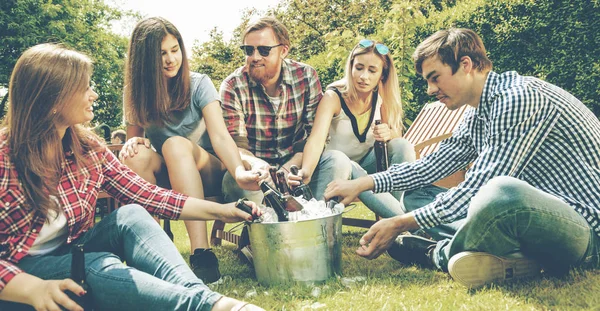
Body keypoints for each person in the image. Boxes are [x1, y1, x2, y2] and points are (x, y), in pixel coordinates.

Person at [324, 28, 600, 288]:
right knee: (416, 195)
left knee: (501, 191)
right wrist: (365, 183)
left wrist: (399, 223)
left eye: (435, 78)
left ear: (465, 64)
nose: (430, 90)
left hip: (582, 230)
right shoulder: (477, 110)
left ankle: (437, 253)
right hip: (528, 223)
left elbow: (479, 188)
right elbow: (433, 165)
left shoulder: (518, 98)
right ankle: (509, 256)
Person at [0, 43, 264, 311]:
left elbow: (149, 195)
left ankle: (205, 299)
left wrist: (223, 211)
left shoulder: (87, 148)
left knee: (131, 215)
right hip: (19, 272)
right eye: (84, 87)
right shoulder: (4, 157)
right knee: (94, 264)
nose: (93, 95)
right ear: (52, 100)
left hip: (72, 250)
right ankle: (210, 307)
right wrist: (32, 288)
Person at [121, 17, 263, 283]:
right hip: (168, 173)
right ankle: (149, 252)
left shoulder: (199, 84)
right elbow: (136, 140)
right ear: (144, 59)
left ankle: (202, 254)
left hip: (207, 169)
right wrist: (134, 142)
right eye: (161, 53)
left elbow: (221, 137)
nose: (171, 59)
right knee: (136, 156)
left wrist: (239, 171)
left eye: (175, 50)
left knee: (175, 145)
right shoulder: (135, 92)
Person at [220, 16, 351, 204]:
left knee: (337, 160)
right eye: (249, 50)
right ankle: (266, 227)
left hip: (299, 166)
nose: (255, 57)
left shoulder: (306, 76)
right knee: (232, 181)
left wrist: (289, 169)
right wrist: (260, 167)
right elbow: (235, 146)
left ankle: (318, 222)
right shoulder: (232, 86)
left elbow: (314, 135)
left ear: (284, 50)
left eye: (264, 50)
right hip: (257, 173)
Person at [288, 39, 415, 218]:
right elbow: (316, 139)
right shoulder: (334, 97)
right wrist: (306, 172)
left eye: (372, 71)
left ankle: (397, 219)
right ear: (351, 67)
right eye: (359, 68)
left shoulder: (381, 97)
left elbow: (396, 138)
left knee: (403, 145)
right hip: (335, 168)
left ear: (382, 76)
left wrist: (389, 132)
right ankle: (407, 223)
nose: (364, 76)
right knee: (346, 163)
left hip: (367, 167)